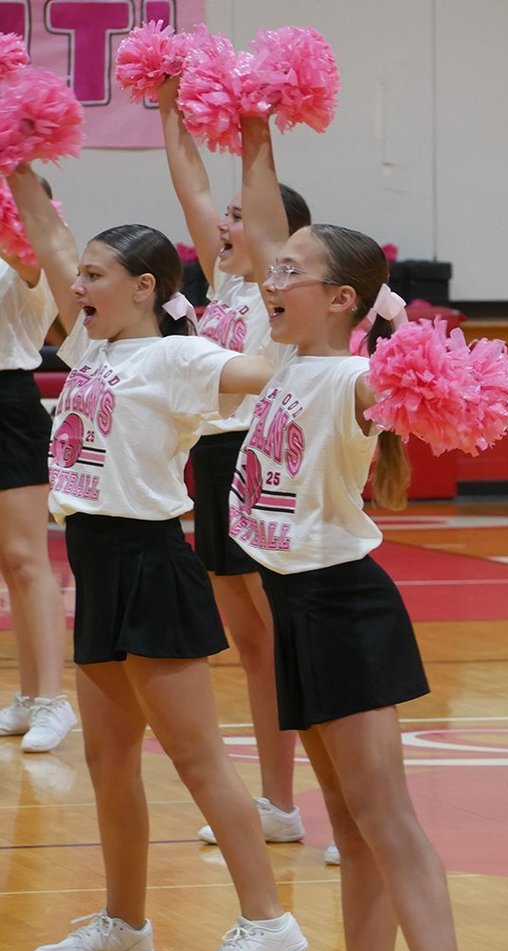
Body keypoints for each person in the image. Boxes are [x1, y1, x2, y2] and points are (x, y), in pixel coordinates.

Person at [226, 115, 506, 951]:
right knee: (349, 830)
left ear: (341, 299)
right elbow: (259, 227)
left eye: (290, 273)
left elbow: (431, 384)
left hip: (344, 607)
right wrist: (253, 132)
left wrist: (403, 330)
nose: (271, 280)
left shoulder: (351, 381)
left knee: (385, 822)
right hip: (297, 608)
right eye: (272, 270)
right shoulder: (283, 362)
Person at [7, 162, 307, 951]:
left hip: (151, 566)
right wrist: (17, 153)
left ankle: (268, 921)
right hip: (96, 567)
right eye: (80, 275)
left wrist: (306, 320)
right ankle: (125, 922)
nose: (77, 285)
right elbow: (49, 237)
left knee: (199, 761)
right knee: (109, 764)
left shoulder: (181, 357)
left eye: (95, 275)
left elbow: (274, 371)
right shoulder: (91, 348)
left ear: (144, 287)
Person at [157, 77, 309, 853]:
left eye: (240, 216)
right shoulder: (222, 287)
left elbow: (264, 212)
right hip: (212, 464)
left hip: (261, 463)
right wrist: (169, 109)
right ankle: (278, 804)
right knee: (254, 648)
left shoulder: (282, 291)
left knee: (290, 642)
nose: (225, 222)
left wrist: (256, 127)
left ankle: (346, 798)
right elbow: (191, 190)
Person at [0, 178, 77, 753]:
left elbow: (22, 252)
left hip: (8, 403)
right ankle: (27, 697)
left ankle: (52, 698)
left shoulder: (33, 255)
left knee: (27, 559)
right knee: (8, 563)